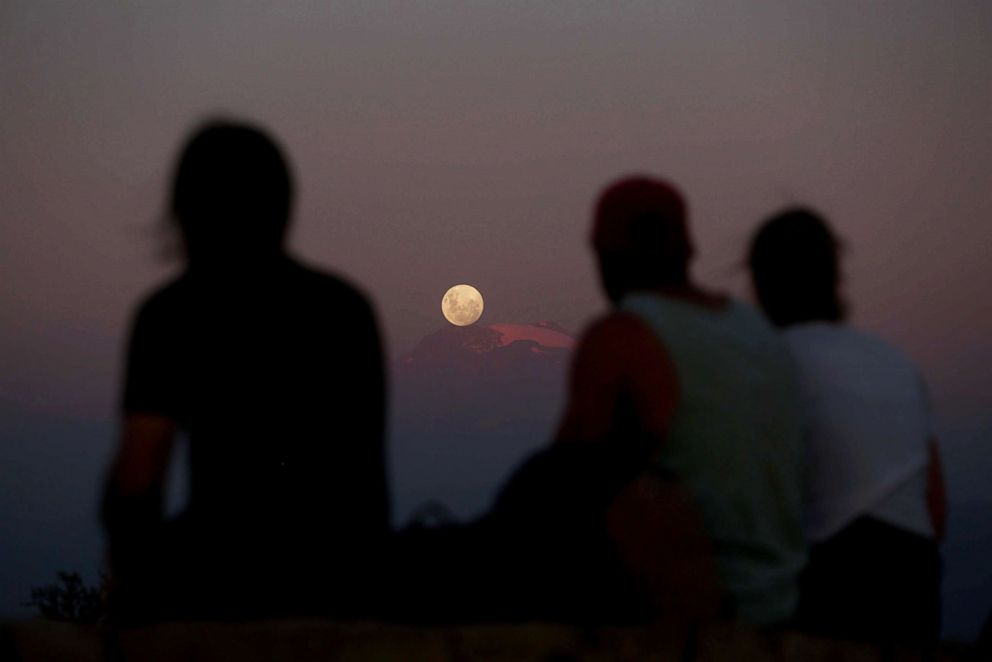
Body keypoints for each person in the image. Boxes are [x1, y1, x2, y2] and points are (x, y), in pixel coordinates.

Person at [102, 120, 390, 622]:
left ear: (185, 210)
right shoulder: (345, 309)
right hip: (340, 584)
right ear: (283, 207)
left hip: (216, 586)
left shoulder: (171, 315)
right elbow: (368, 484)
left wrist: (135, 581)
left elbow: (137, 482)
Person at [550, 176, 807, 627]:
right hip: (782, 602)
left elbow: (561, 487)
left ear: (607, 256)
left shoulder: (623, 335)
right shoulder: (761, 335)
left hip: (702, 610)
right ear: (688, 249)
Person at [747, 208, 946, 647]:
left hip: (832, 584)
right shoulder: (895, 362)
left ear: (761, 285)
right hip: (916, 587)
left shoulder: (770, 362)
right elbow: (936, 508)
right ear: (834, 277)